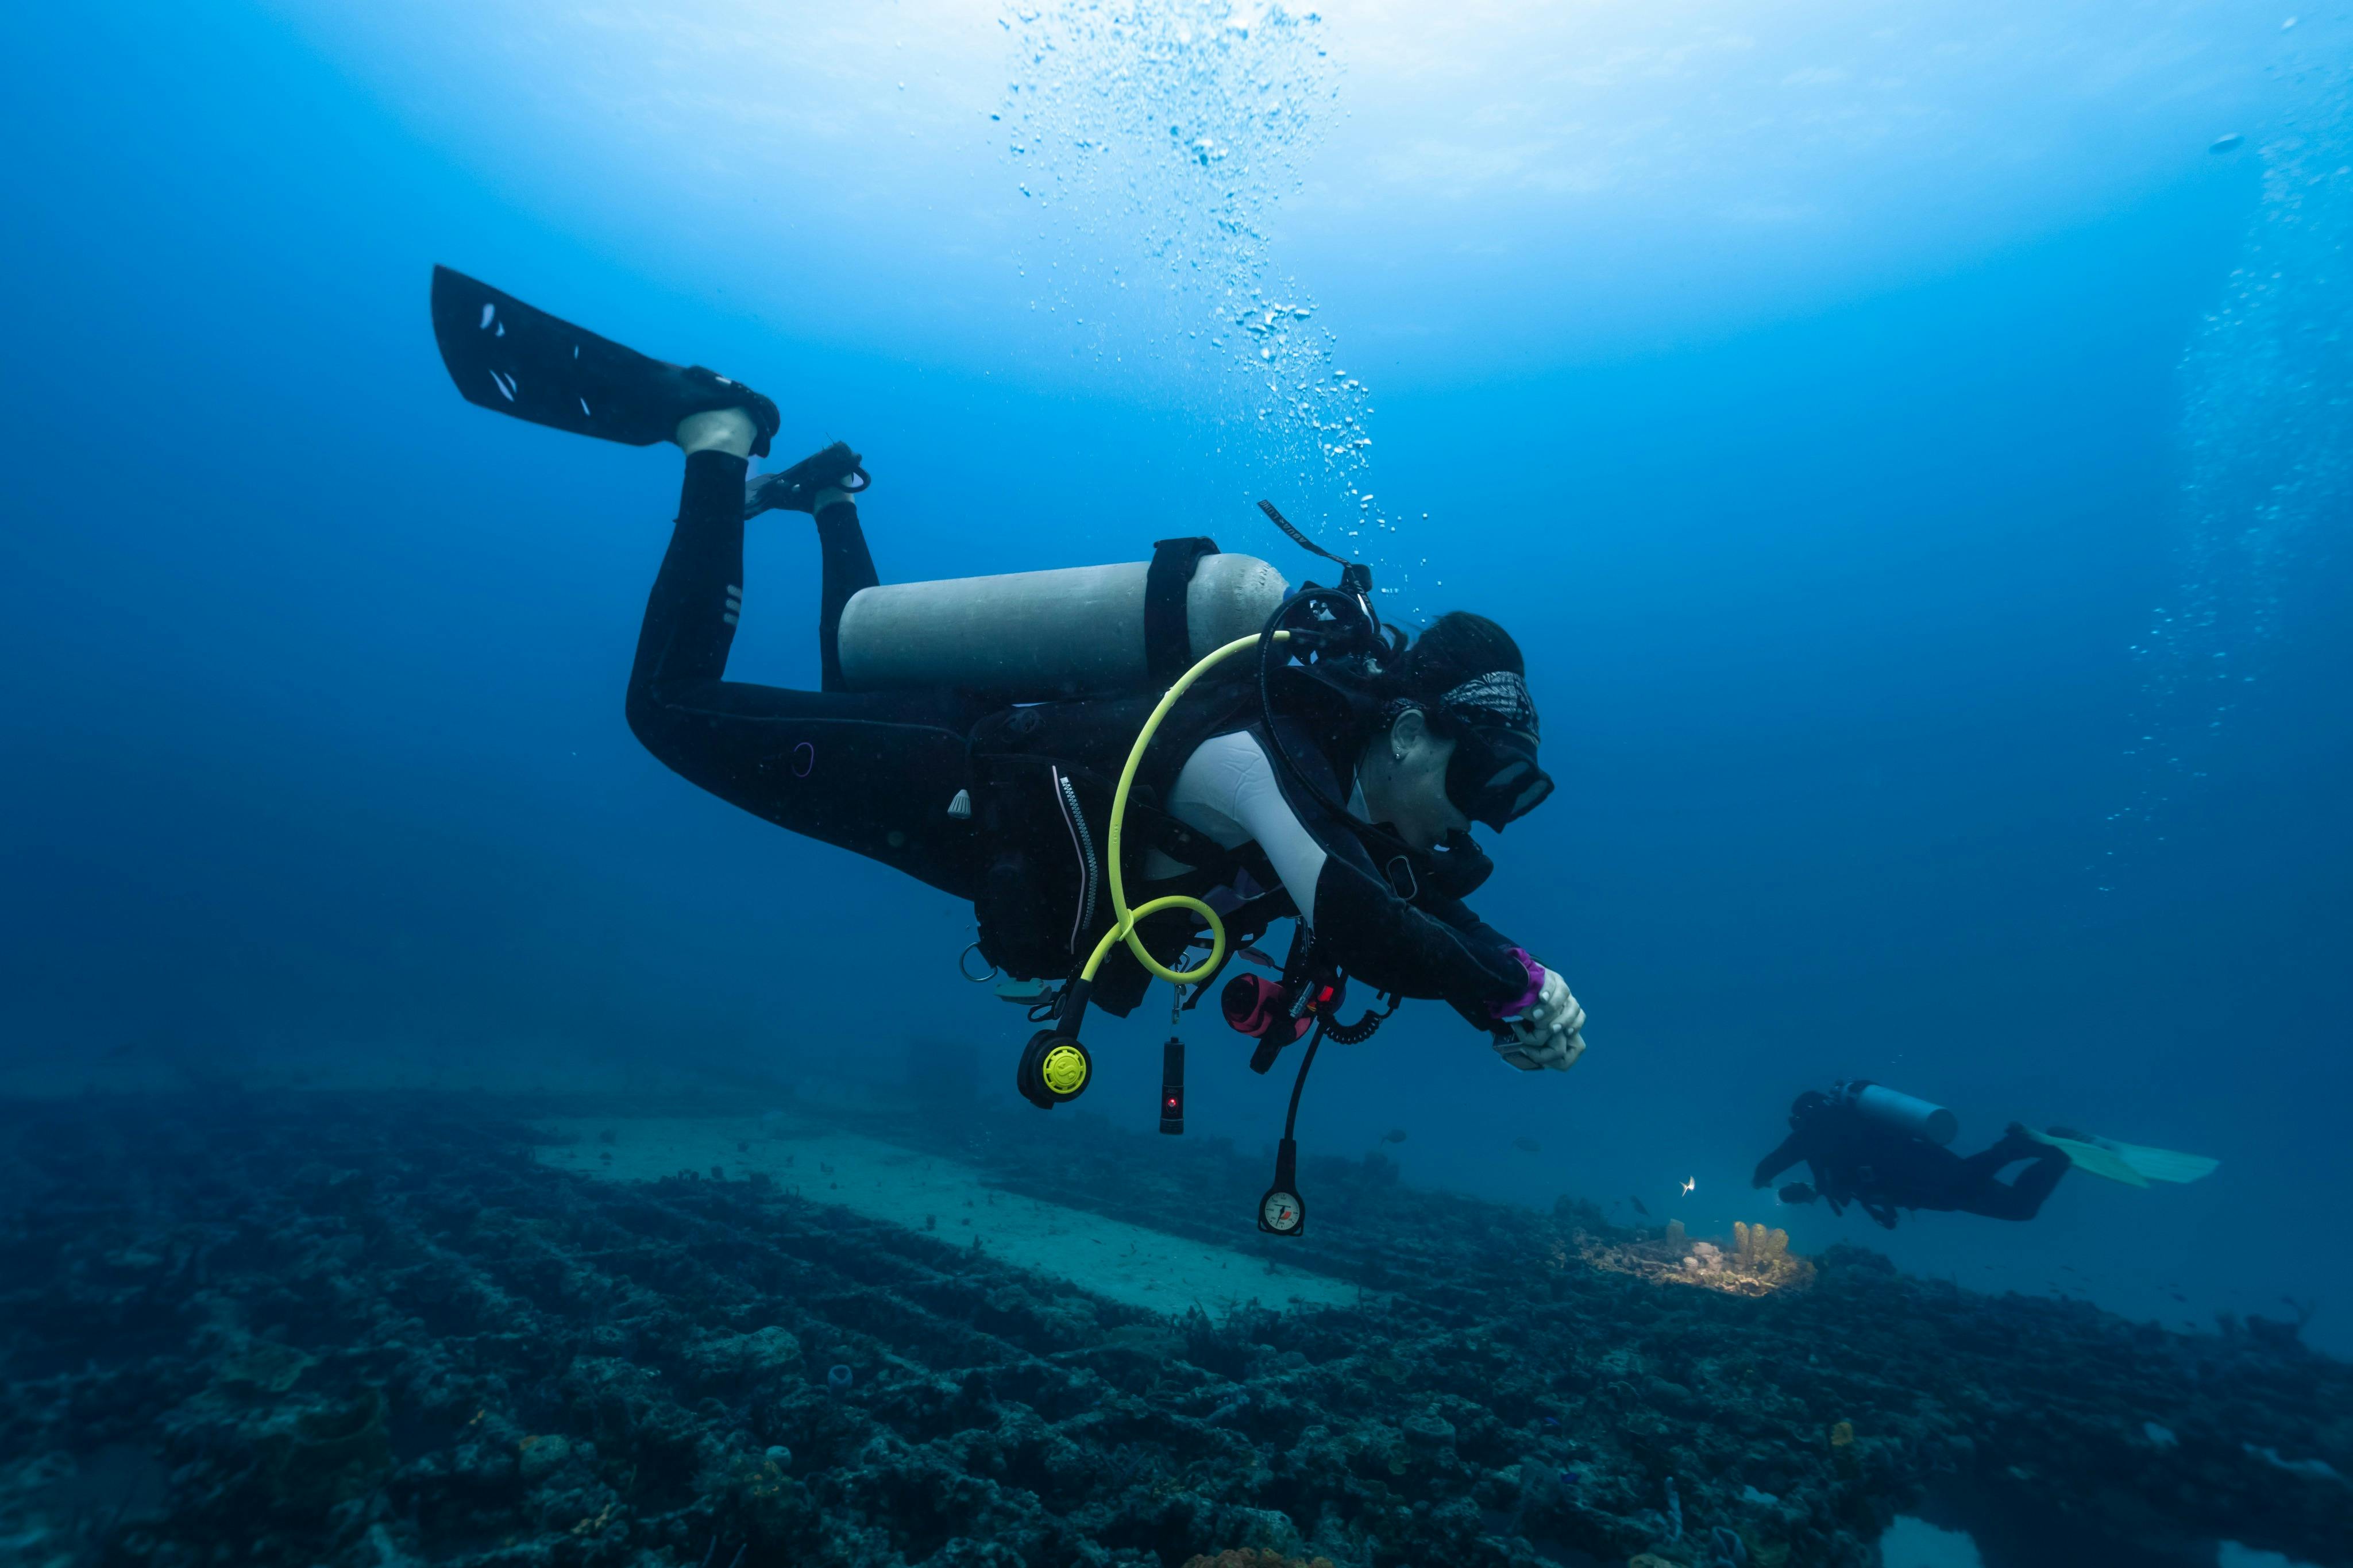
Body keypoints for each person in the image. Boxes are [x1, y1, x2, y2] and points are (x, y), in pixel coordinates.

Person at [425, 267, 1587, 1076]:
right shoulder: (1257, 760)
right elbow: (1352, 907)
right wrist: (1498, 992)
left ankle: (828, 500)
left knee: (848, 677)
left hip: (978, 786)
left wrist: (1516, 972)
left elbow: (1412, 902)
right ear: (1406, 731)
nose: (1470, 816)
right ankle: (716, 437)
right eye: (1474, 775)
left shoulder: (1347, 799)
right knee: (665, 709)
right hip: (953, 782)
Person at [1752, 1089, 2074, 1227]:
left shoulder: (1811, 1132)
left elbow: (1774, 1162)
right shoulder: (1857, 1120)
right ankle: (2058, 1155)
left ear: (1803, 1116)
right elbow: (1840, 1177)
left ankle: (2013, 1147)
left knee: (1968, 1189)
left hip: (1917, 1180)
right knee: (2019, 1209)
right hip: (1928, 1170)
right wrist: (1812, 1190)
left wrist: (1759, 1180)